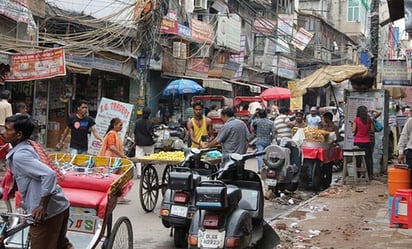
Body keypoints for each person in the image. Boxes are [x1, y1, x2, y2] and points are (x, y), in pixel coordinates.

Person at [0, 114, 73, 249]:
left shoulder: (20, 156)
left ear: (19, 135)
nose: (3, 132)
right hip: (59, 206)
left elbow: (49, 175)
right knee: (60, 245)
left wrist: (42, 206)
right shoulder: (27, 146)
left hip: (47, 213)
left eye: (7, 129)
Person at [352, 105, 374, 179]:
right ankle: (368, 175)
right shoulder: (369, 120)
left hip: (358, 142)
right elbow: (372, 130)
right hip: (367, 142)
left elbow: (353, 130)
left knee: (358, 159)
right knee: (367, 159)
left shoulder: (356, 120)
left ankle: (357, 175)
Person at [134, 107, 155, 176]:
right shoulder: (150, 122)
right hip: (149, 143)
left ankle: (139, 173)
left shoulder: (137, 122)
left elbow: (135, 133)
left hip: (139, 143)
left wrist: (135, 142)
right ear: (149, 114)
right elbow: (151, 133)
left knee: (139, 158)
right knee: (150, 157)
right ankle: (149, 171)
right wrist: (155, 135)